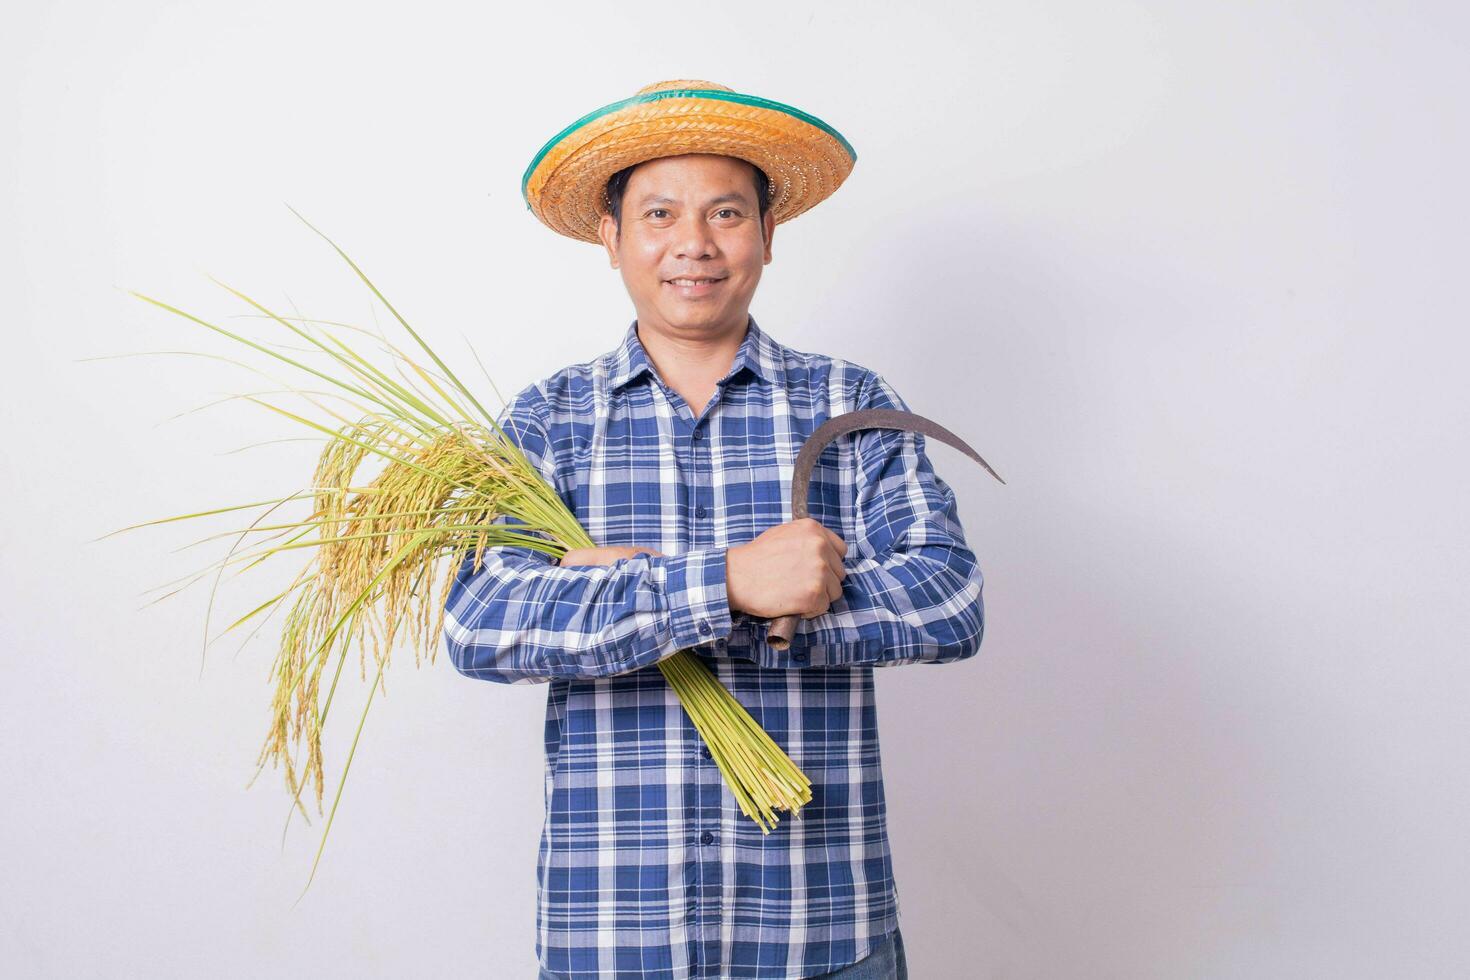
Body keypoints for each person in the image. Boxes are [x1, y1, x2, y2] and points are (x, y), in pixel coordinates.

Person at [443, 79, 985, 980]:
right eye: (659, 213)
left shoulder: (846, 402)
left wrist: (635, 595)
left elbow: (951, 598)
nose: (693, 244)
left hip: (823, 928)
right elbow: (479, 620)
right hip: (614, 931)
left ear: (768, 235)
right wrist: (728, 583)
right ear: (611, 237)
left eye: (726, 213)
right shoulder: (550, 420)